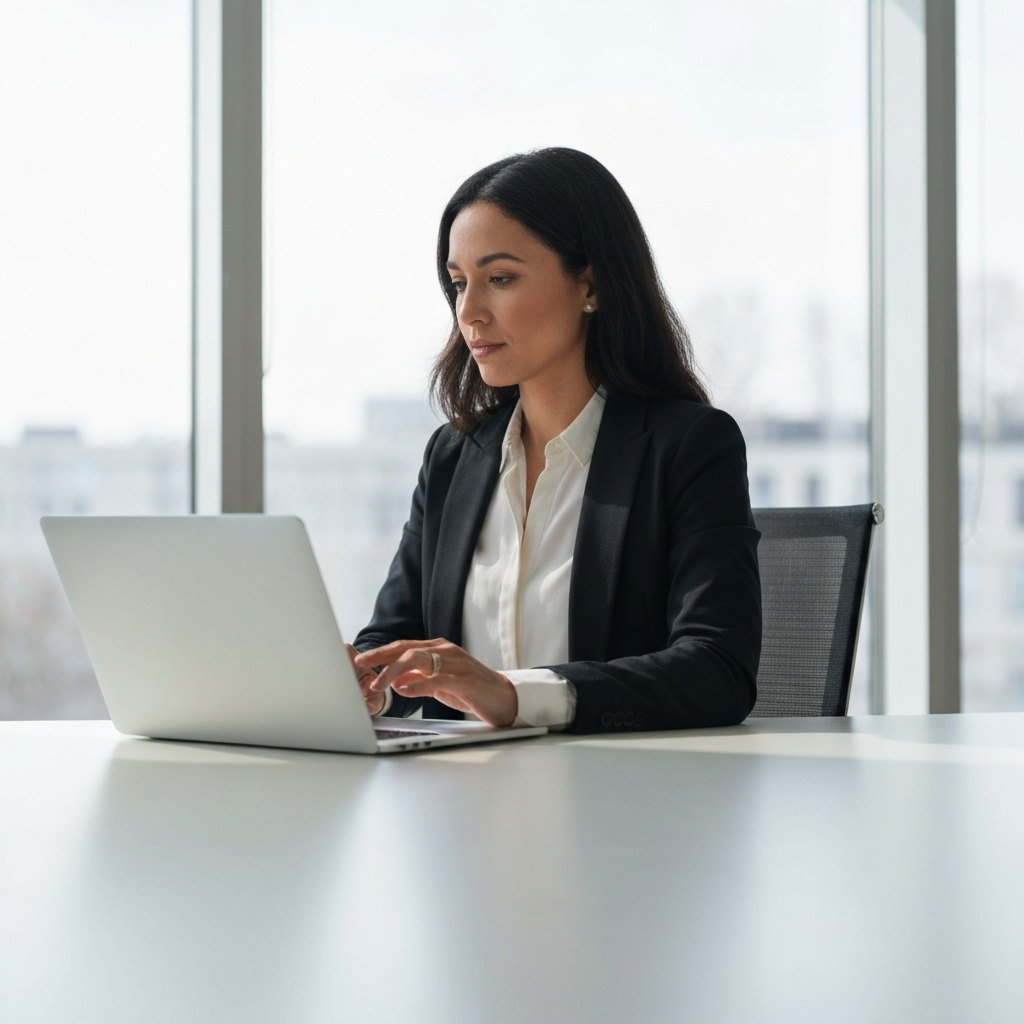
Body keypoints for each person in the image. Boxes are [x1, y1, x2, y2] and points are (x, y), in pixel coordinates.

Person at [349, 147, 761, 734]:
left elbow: (718, 668)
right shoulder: (453, 457)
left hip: (620, 806)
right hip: (457, 809)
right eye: (459, 283)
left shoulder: (690, 447)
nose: (469, 311)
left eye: (500, 279)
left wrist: (514, 695)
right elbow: (393, 640)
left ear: (589, 284)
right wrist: (367, 684)